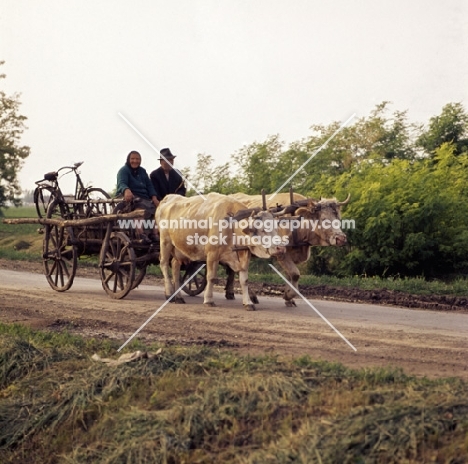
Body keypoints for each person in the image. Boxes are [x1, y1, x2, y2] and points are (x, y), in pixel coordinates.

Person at [116, 150, 159, 242]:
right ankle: (140, 234)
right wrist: (126, 190)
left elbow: (149, 185)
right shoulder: (124, 170)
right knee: (140, 207)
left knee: (158, 210)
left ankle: (155, 234)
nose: (135, 161)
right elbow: (121, 183)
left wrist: (154, 197)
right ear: (128, 159)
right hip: (130, 198)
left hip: (144, 198)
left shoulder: (142, 171)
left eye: (137, 159)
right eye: (132, 159)